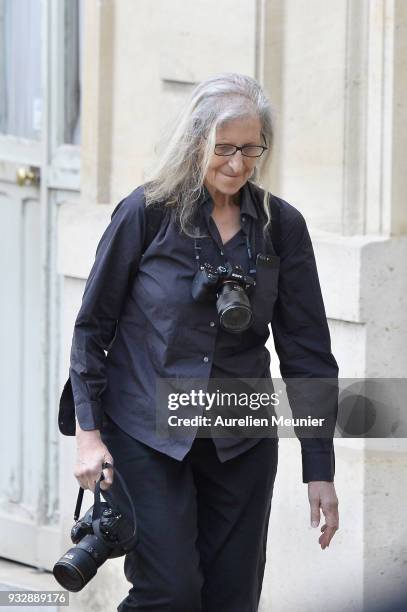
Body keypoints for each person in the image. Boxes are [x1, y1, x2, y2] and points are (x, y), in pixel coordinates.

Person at [62, 72, 339, 611]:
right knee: (170, 591)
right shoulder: (145, 214)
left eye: (251, 149)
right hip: (145, 429)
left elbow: (306, 351)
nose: (238, 164)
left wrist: (319, 467)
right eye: (225, 148)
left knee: (232, 597)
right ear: (196, 143)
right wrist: (88, 436)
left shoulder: (281, 227)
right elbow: (92, 328)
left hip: (240, 433)